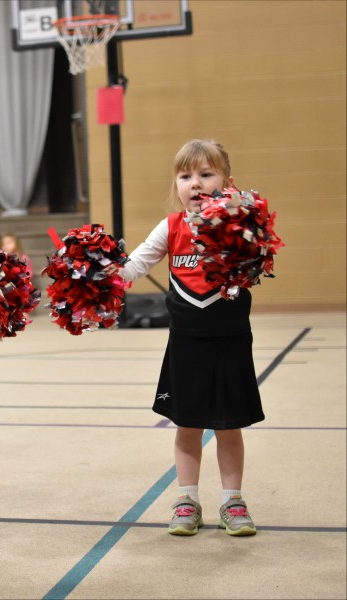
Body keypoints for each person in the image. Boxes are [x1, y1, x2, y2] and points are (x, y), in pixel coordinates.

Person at [118, 139, 263, 537]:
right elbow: (133, 267)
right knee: (187, 427)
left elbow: (254, 269)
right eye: (185, 176)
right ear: (176, 184)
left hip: (231, 340)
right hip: (186, 344)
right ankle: (187, 500)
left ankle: (232, 501)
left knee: (230, 427)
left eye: (206, 174)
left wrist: (235, 228)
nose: (195, 183)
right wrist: (98, 275)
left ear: (227, 182)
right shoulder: (171, 227)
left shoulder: (240, 225)